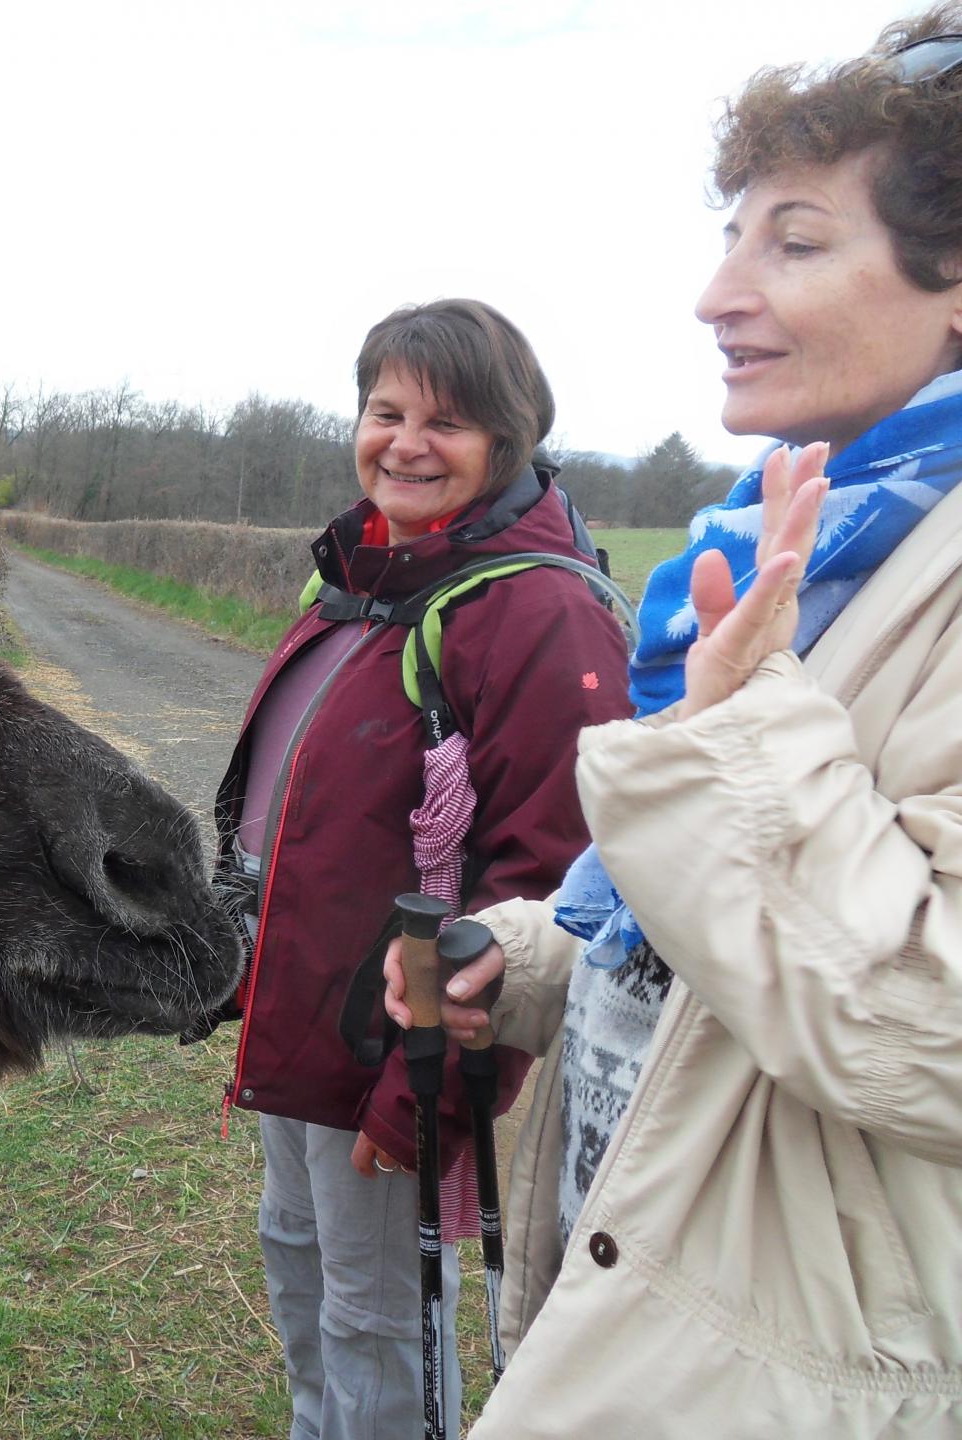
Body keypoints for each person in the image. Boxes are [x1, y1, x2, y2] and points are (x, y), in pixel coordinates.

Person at [382, 10, 962, 1436]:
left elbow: (930, 1028)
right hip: (653, 1289)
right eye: (732, 235)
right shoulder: (825, 545)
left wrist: (742, 722)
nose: (717, 293)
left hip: (798, 1374)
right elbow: (717, 939)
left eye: (798, 242)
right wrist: (526, 960)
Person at [212, 298, 632, 1440]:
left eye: (443, 421)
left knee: (375, 1320)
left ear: (509, 441)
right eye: (384, 410)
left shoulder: (535, 612)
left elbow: (549, 887)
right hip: (301, 1023)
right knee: (298, 1267)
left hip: (401, 1048)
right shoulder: (365, 579)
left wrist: (424, 1100)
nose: (402, 441)